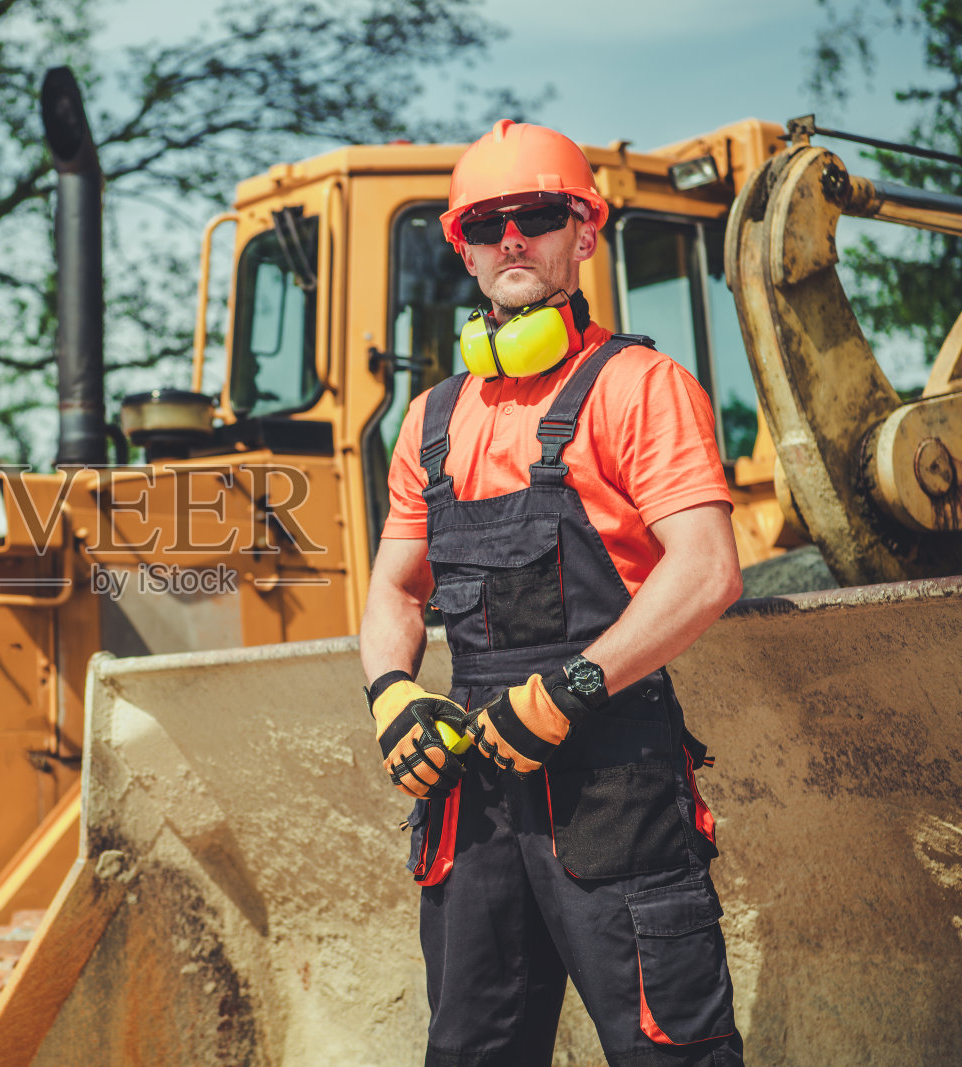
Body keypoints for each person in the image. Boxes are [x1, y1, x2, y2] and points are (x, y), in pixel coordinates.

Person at [358, 119, 746, 1067]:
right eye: (487, 225)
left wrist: (573, 686)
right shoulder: (431, 420)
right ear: (466, 250)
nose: (512, 239)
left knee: (671, 1051)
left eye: (536, 214)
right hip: (474, 799)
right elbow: (396, 590)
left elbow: (706, 569)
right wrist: (392, 692)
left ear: (584, 232)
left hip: (614, 782)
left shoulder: (639, 386)